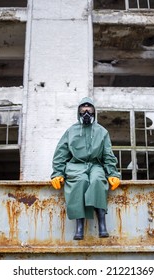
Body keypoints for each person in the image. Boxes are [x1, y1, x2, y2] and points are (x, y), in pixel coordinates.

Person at [50, 97, 121, 240]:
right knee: (79, 182)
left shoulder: (102, 131)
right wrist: (57, 173)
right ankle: (79, 226)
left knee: (97, 180)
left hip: (95, 164)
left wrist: (112, 173)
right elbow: (61, 153)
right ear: (79, 111)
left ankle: (102, 223)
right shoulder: (71, 131)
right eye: (83, 108)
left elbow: (108, 153)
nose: (86, 111)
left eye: (90, 108)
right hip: (76, 164)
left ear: (94, 111)